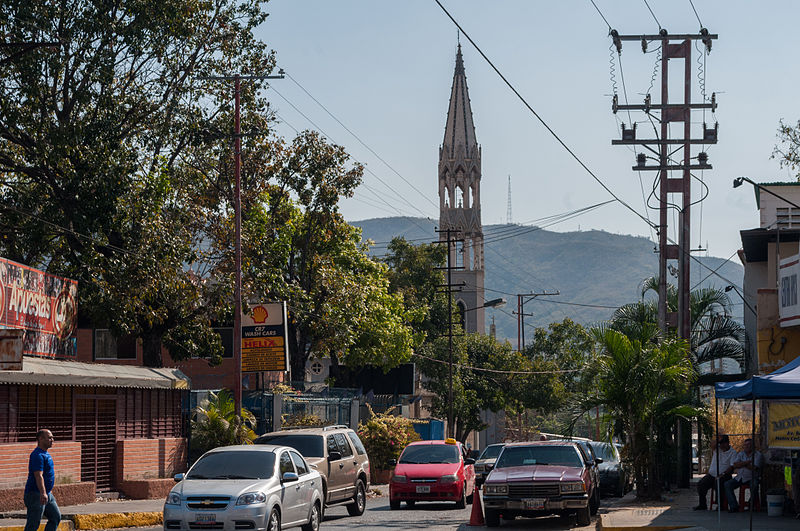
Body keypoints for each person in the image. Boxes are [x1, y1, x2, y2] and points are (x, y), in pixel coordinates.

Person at [24, 429, 61, 531]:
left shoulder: (45, 454)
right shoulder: (37, 455)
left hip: (47, 493)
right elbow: (38, 475)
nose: (52, 440)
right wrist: (43, 492)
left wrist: (47, 491)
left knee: (55, 517)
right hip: (36, 494)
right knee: (33, 524)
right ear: (40, 439)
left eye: (52, 438)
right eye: (49, 438)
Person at [694, 434, 738, 511]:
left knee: (719, 484)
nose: (722, 445)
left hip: (724, 475)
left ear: (727, 443)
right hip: (712, 475)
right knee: (701, 484)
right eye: (720, 443)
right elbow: (712, 445)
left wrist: (722, 474)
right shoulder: (717, 449)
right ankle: (702, 504)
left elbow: (731, 467)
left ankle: (720, 505)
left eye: (723, 443)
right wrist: (718, 440)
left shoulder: (732, 452)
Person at [723, 438, 763, 512]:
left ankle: (752, 504)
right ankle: (734, 506)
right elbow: (735, 465)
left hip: (751, 477)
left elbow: (754, 467)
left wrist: (741, 464)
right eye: (745, 445)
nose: (747, 446)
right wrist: (747, 462)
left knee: (754, 485)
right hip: (739, 477)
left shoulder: (758, 455)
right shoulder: (741, 454)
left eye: (749, 445)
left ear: (753, 446)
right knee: (727, 484)